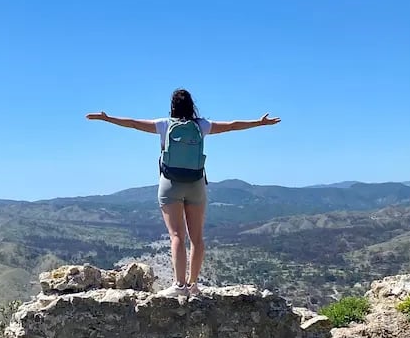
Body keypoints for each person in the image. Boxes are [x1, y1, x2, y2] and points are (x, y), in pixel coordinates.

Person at [85, 88, 281, 297]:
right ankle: (193, 284)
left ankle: (179, 286)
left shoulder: (164, 125)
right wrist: (259, 122)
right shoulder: (201, 125)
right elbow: (232, 126)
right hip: (196, 183)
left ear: (172, 107)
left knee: (176, 235)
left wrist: (107, 119)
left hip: (170, 183)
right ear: (191, 106)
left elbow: (133, 123)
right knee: (197, 238)